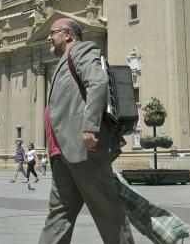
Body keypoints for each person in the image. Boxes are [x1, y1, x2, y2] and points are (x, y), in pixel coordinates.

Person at [39, 19, 133, 244]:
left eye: (52, 33)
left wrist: (90, 126)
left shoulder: (82, 50)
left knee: (107, 212)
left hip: (84, 150)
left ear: (68, 34)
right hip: (62, 152)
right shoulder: (64, 60)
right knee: (58, 214)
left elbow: (97, 82)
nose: (48, 38)